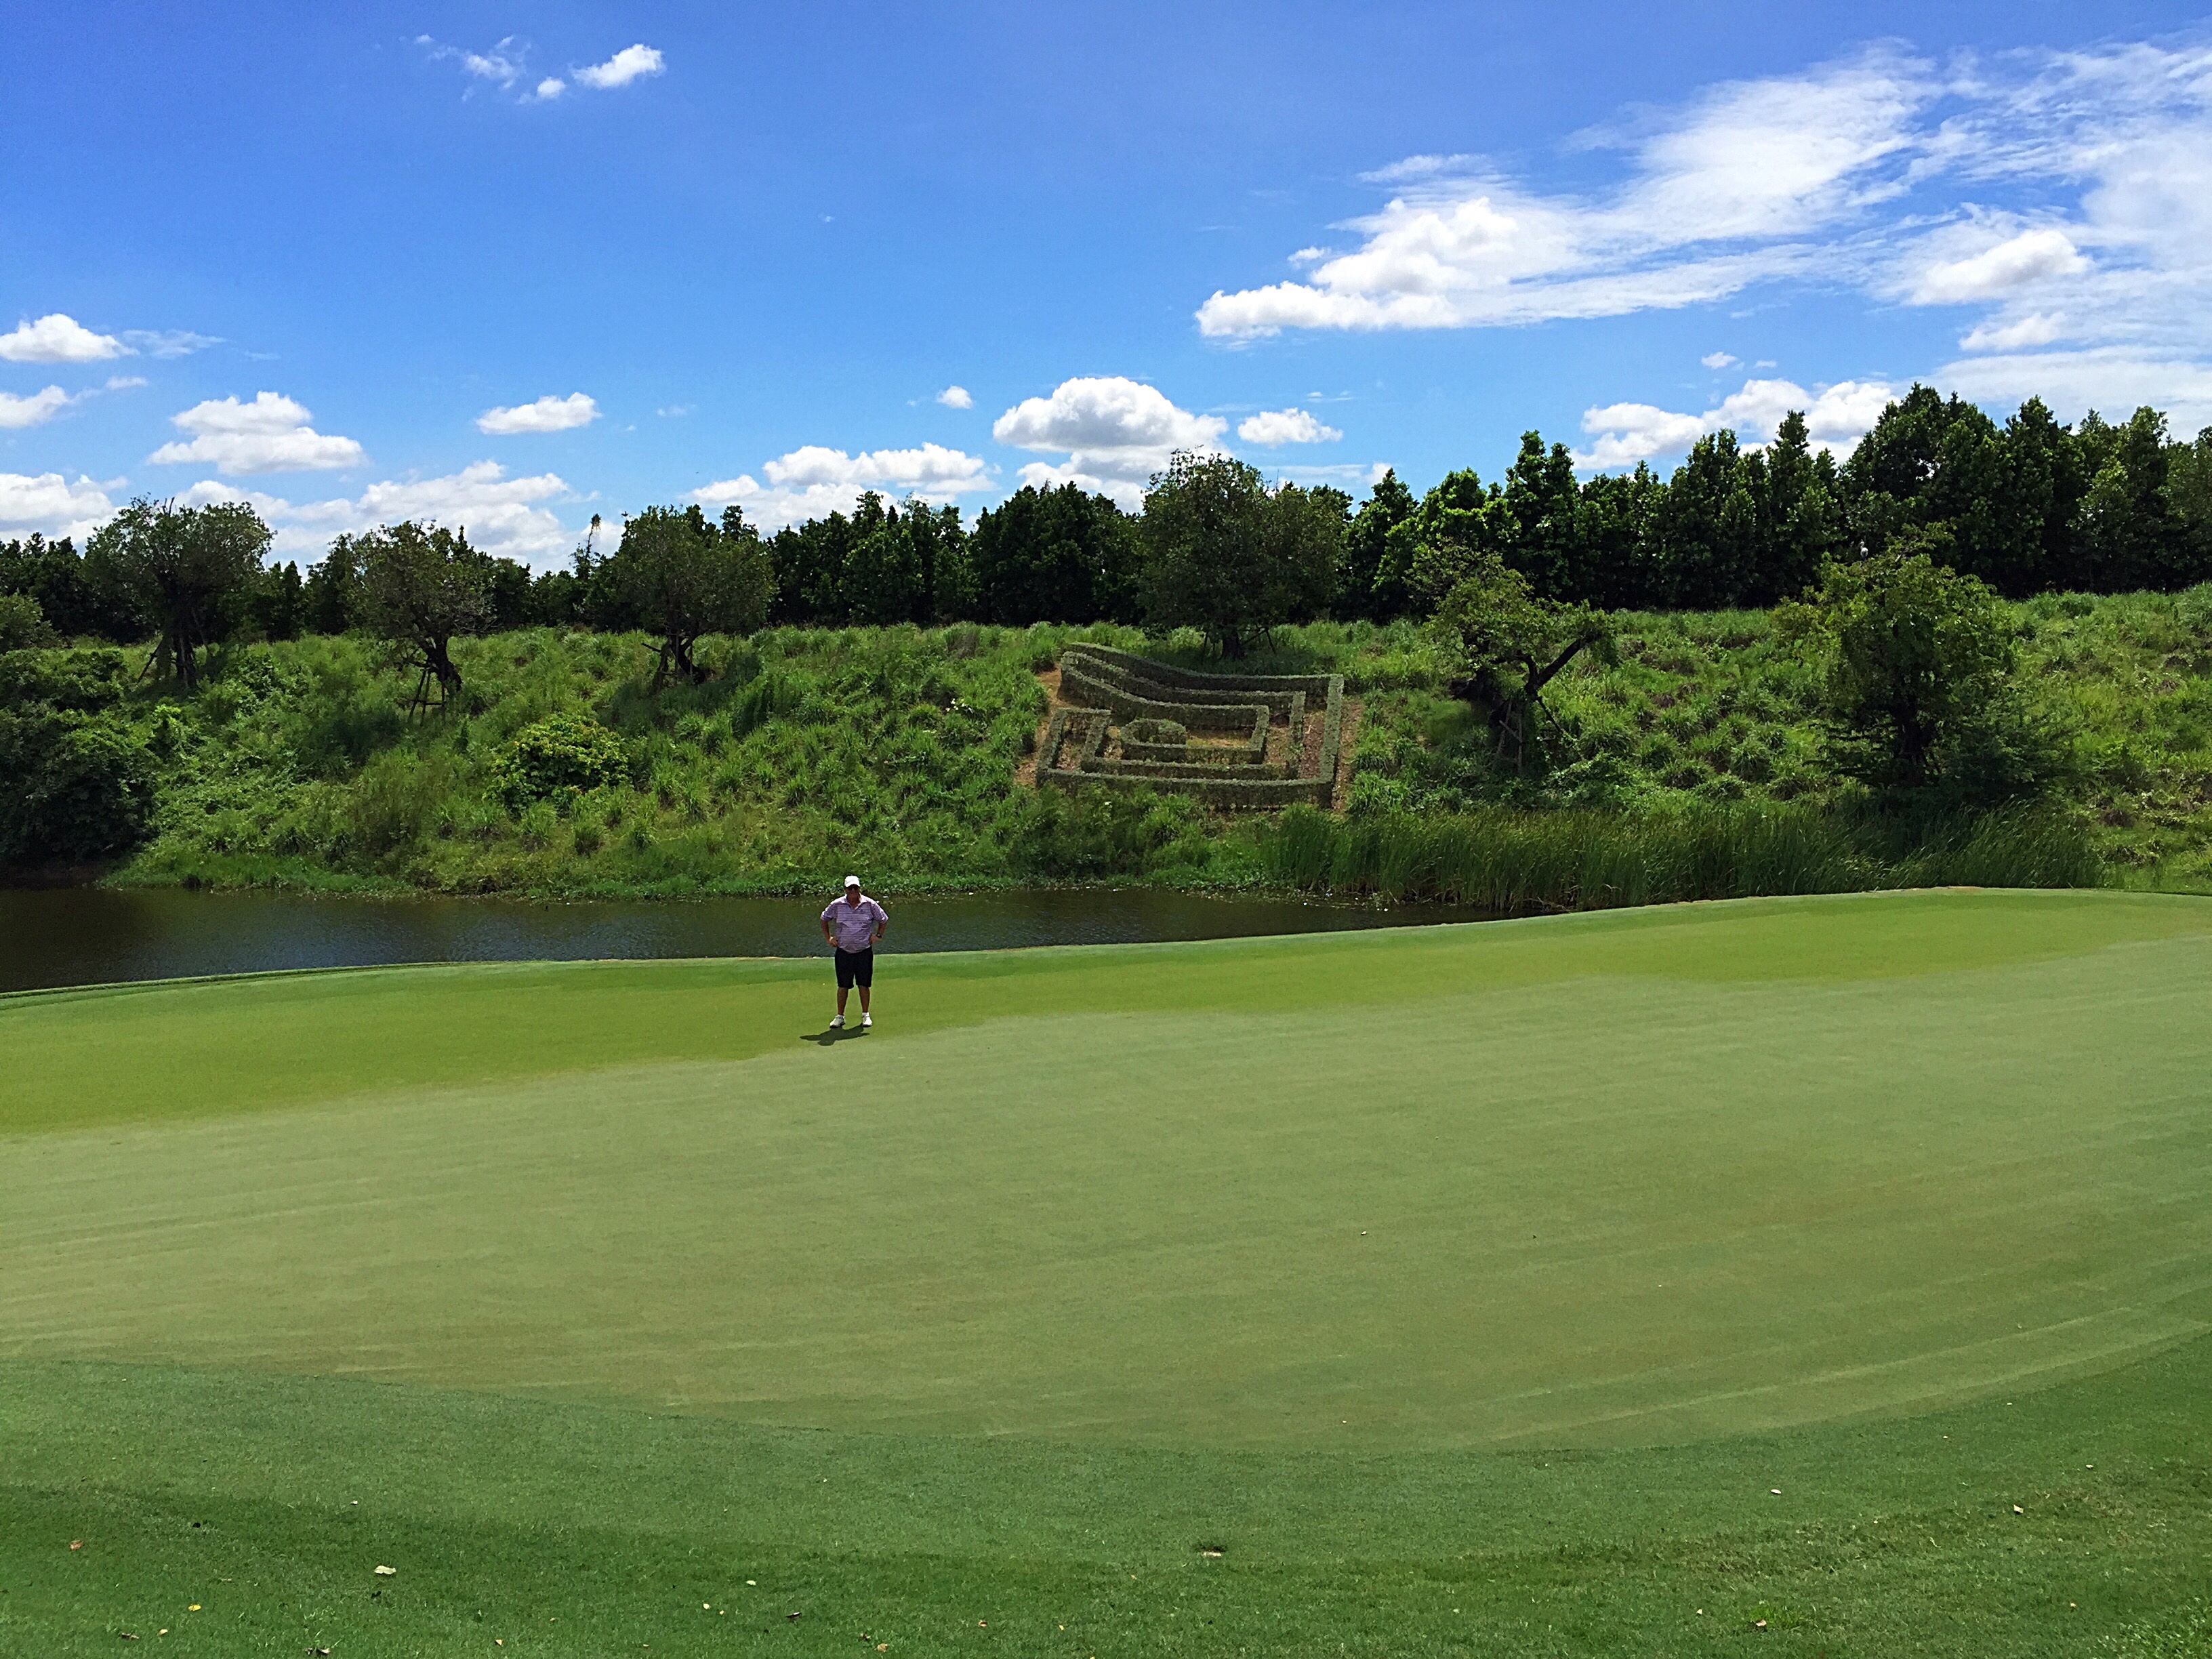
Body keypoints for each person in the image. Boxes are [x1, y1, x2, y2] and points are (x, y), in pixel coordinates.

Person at [819, 875, 888, 1029]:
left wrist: (878, 936)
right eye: (850, 888)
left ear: (859, 888)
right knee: (843, 985)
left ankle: (865, 1015)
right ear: (845, 889)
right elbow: (824, 919)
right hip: (844, 951)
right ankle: (840, 1016)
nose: (853, 890)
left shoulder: (870, 904)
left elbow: (883, 919)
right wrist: (829, 938)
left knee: (864, 984)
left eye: (855, 887)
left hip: (864, 951)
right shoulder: (837, 905)